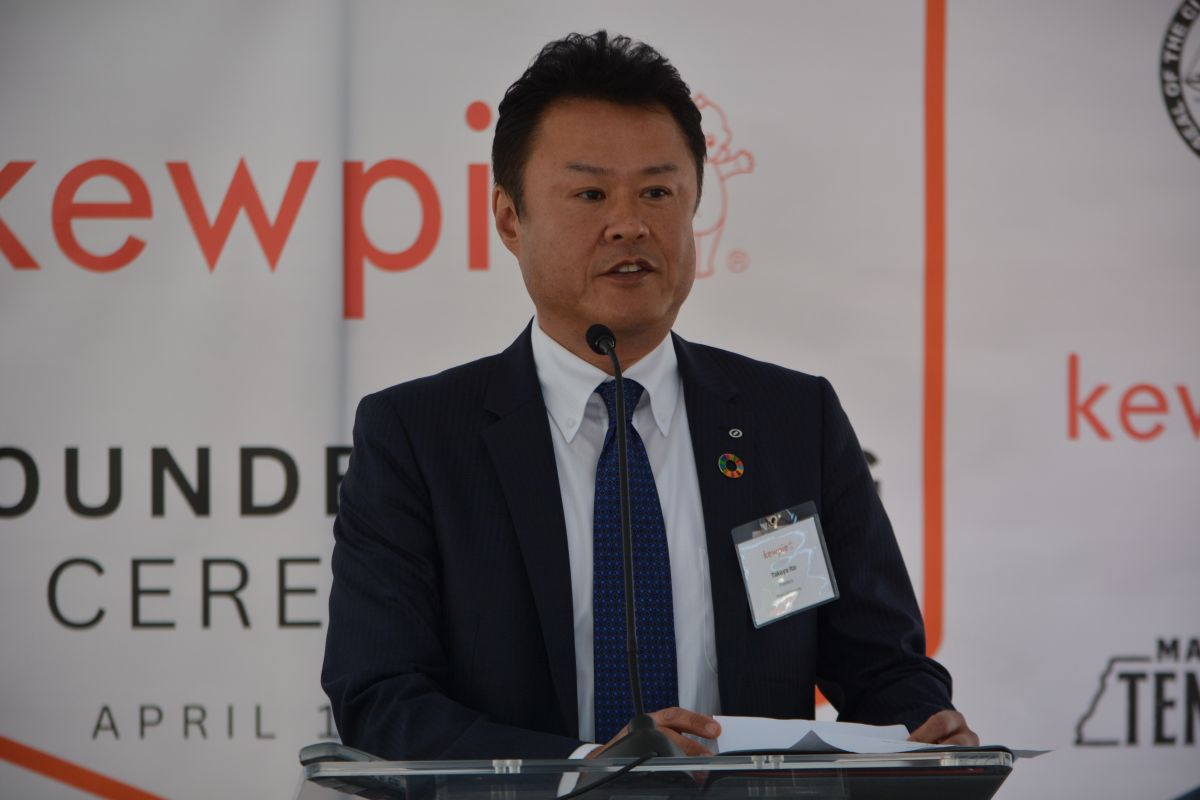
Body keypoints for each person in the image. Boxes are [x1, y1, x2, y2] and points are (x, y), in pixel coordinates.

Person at [321, 30, 976, 761]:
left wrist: (925, 727)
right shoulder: (417, 436)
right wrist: (583, 772)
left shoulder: (790, 422)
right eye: (591, 192)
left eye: (658, 192)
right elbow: (379, 697)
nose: (630, 223)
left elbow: (877, 662)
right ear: (509, 218)